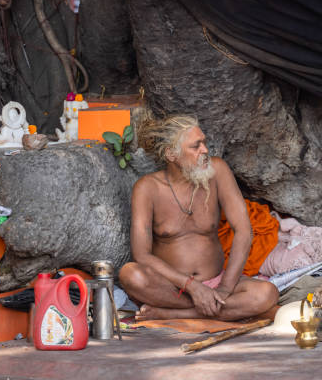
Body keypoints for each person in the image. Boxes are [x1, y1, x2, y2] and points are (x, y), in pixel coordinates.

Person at [119, 115, 279, 321]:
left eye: (203, 143)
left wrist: (224, 289)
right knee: (130, 275)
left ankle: (174, 315)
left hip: (217, 282)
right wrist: (192, 287)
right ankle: (211, 310)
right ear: (171, 154)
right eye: (195, 146)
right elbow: (142, 256)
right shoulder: (147, 188)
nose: (204, 150)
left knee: (267, 294)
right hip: (171, 289)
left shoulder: (218, 170)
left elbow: (243, 231)